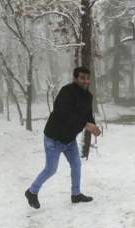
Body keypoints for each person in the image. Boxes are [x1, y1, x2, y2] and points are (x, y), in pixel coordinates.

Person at [25, 67, 101, 209]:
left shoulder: (88, 96)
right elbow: (64, 114)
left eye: (87, 78)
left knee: (76, 165)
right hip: (54, 138)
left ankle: (76, 194)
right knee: (51, 169)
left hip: (69, 139)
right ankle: (31, 192)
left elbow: (88, 114)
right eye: (82, 78)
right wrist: (85, 124)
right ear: (75, 78)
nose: (85, 81)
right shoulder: (66, 92)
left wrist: (94, 127)